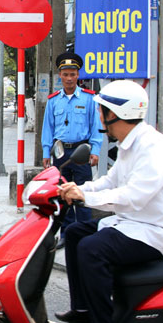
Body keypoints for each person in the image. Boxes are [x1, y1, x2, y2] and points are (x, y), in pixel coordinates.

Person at [55, 80, 163, 323]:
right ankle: (83, 308)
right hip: (132, 223)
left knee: (93, 249)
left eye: (102, 110)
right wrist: (73, 188)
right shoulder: (130, 144)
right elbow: (109, 182)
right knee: (78, 233)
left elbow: (134, 196)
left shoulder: (153, 147)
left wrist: (85, 197)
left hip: (155, 231)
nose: (99, 115)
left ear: (115, 113)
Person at [41, 51, 103, 248]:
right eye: (65, 74)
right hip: (60, 153)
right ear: (60, 75)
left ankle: (85, 234)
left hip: (82, 151)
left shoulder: (89, 99)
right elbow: (47, 128)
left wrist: (96, 150)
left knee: (82, 193)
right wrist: (45, 152)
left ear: (78, 76)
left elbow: (95, 127)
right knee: (63, 195)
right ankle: (67, 234)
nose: (69, 78)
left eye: (73, 74)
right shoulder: (53, 101)